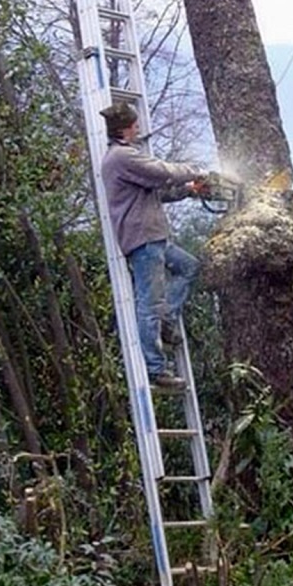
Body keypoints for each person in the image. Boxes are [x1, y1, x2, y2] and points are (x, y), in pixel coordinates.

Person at [100, 101, 204, 390]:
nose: (138, 129)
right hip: (143, 239)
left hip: (153, 236)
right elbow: (162, 172)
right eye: (134, 125)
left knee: (188, 266)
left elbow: (157, 192)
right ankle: (156, 369)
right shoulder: (122, 157)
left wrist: (188, 190)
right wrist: (197, 170)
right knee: (149, 303)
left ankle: (168, 321)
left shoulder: (124, 159)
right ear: (124, 129)